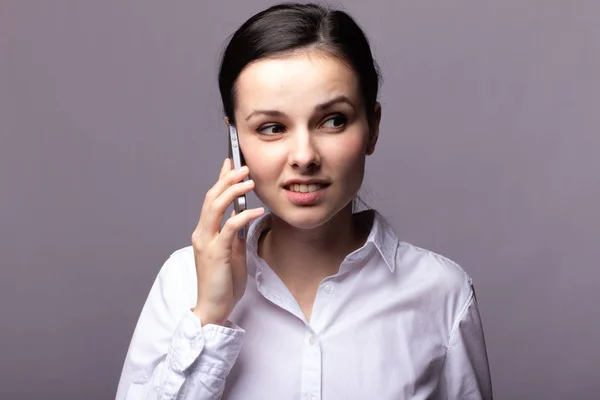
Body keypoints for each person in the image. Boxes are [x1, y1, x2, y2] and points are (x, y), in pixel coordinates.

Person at [116, 3, 492, 399]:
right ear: (236, 141)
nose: (304, 156)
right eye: (272, 128)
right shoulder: (182, 281)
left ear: (373, 126)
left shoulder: (441, 293)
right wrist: (209, 316)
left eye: (333, 120)